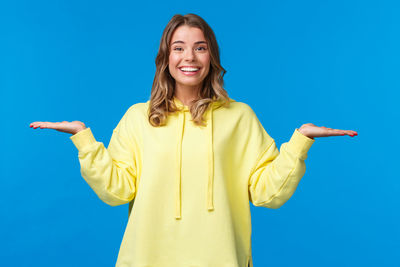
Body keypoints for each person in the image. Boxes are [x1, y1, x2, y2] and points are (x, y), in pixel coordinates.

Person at [30, 13, 357, 267]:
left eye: (200, 47)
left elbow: (266, 193)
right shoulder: (137, 118)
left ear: (211, 56)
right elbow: (117, 191)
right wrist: (84, 141)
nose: (190, 57)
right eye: (179, 48)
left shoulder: (239, 117)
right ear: (165, 58)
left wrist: (299, 141)